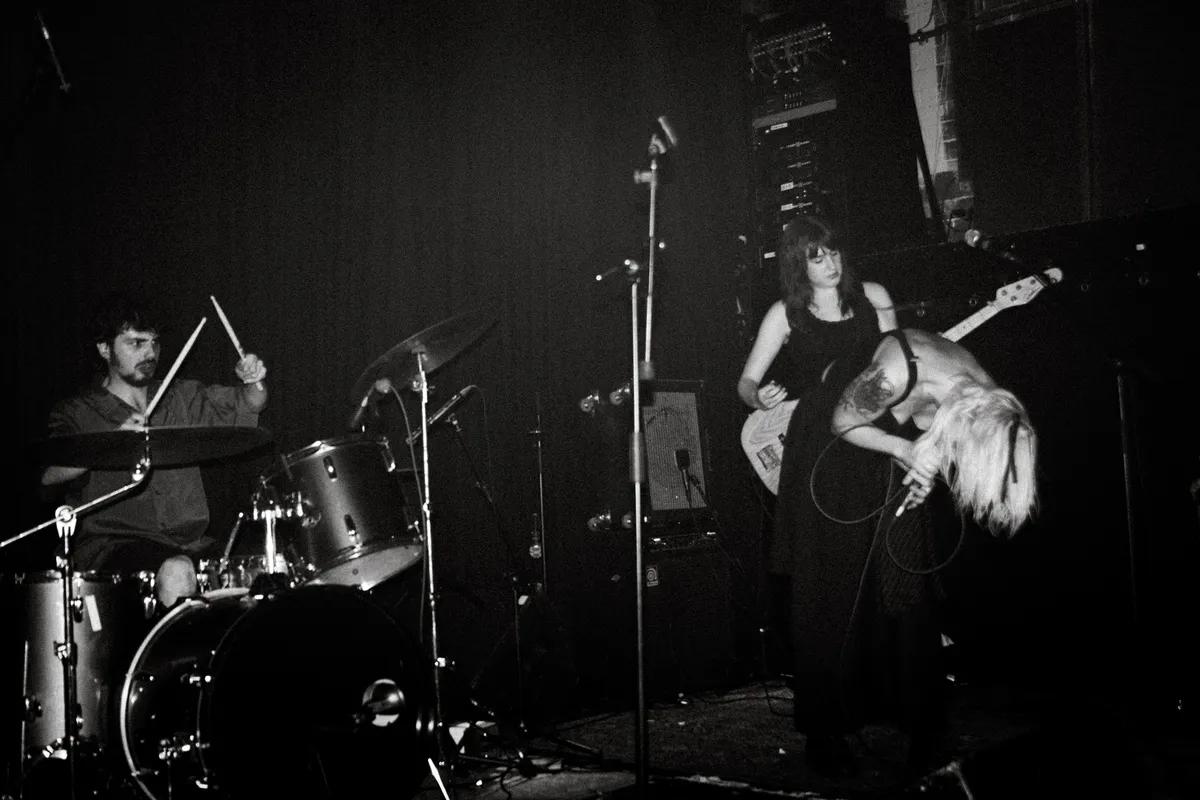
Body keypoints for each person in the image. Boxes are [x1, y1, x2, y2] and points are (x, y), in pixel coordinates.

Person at [782, 325, 1037, 780]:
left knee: (908, 584)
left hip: (886, 441)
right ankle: (824, 735)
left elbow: (941, 432)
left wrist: (922, 471)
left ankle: (924, 729)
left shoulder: (988, 396)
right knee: (834, 583)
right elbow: (843, 421)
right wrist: (905, 449)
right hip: (834, 437)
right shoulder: (899, 367)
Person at [736, 216, 897, 693]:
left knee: (882, 556)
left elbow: (901, 364)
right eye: (816, 257)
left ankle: (885, 683)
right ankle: (830, 688)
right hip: (817, 445)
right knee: (826, 565)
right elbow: (746, 382)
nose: (830, 263)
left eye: (833, 252)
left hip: (874, 432)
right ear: (797, 265)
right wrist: (758, 397)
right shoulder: (785, 313)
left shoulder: (874, 296)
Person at [41, 292, 268, 610]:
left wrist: (254, 380)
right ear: (104, 349)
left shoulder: (181, 396)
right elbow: (47, 475)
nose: (149, 353)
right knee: (177, 571)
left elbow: (249, 403)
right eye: (136, 343)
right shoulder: (77, 412)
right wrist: (114, 443)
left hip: (189, 543)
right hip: (113, 547)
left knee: (266, 568)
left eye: (154, 343)